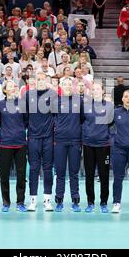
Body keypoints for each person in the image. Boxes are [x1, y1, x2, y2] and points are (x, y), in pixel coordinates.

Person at [0, 81, 28, 212]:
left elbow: (26, 120)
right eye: (10, 86)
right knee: (4, 174)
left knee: (21, 174)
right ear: (5, 90)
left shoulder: (22, 104)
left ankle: (20, 202)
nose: (13, 87)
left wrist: (19, 130)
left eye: (14, 86)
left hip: (20, 143)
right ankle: (6, 202)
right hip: (5, 144)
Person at [26, 72, 55, 212]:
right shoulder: (28, 95)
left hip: (48, 138)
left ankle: (47, 200)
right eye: (38, 79)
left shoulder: (52, 94)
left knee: (48, 169)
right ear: (34, 81)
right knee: (33, 169)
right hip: (33, 138)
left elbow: (57, 114)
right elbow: (24, 116)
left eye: (43, 79)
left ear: (47, 81)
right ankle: (32, 200)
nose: (41, 81)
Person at [82, 83, 113, 213]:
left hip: (103, 146)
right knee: (89, 175)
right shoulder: (86, 106)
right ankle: (90, 202)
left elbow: (112, 122)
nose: (95, 91)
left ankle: (104, 202)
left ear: (103, 91)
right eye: (93, 89)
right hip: (88, 145)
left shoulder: (109, 106)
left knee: (104, 175)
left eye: (98, 89)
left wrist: (106, 135)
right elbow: (81, 121)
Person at [53, 79, 82, 212]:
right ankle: (59, 200)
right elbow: (52, 119)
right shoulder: (56, 102)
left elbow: (83, 118)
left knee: (74, 172)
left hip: (75, 141)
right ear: (61, 87)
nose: (68, 86)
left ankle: (75, 200)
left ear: (73, 87)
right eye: (65, 84)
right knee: (60, 173)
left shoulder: (79, 101)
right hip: (59, 141)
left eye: (70, 84)